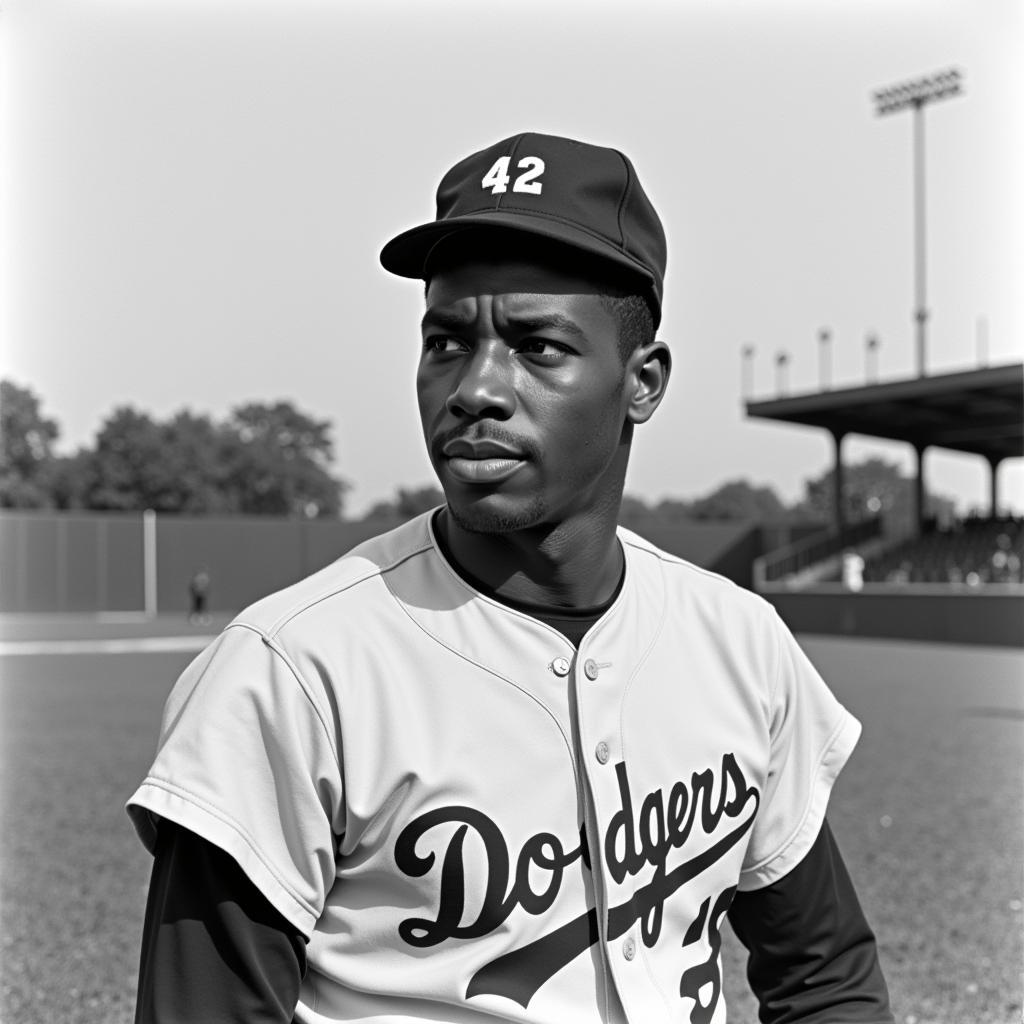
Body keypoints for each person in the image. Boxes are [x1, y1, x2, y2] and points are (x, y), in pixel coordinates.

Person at [127, 132, 893, 1024]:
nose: (475, 388)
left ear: (642, 382)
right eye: (447, 342)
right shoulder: (291, 668)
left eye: (535, 346)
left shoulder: (739, 640)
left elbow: (824, 976)